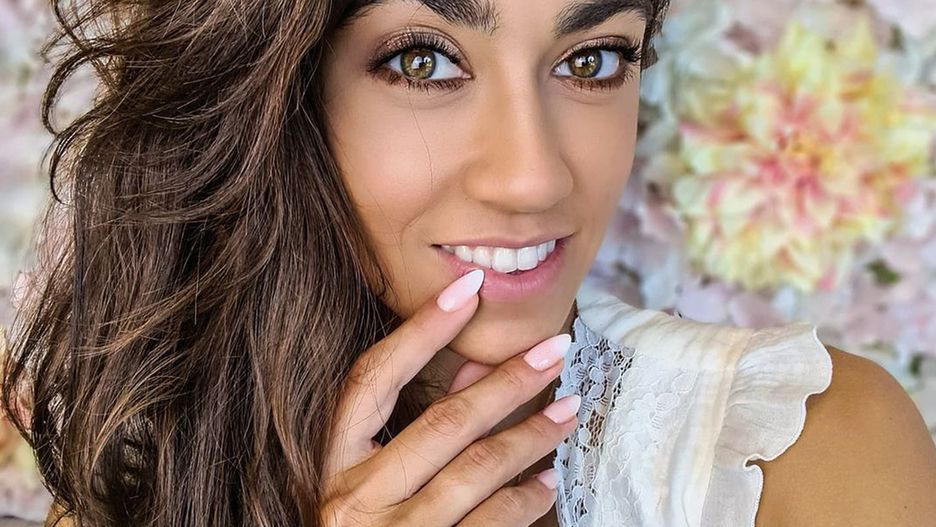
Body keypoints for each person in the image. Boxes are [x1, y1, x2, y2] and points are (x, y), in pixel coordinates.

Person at [1, 0, 935, 525]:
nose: (534, 178)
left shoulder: (799, 445)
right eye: (424, 63)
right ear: (281, 99)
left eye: (593, 60)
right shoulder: (143, 479)